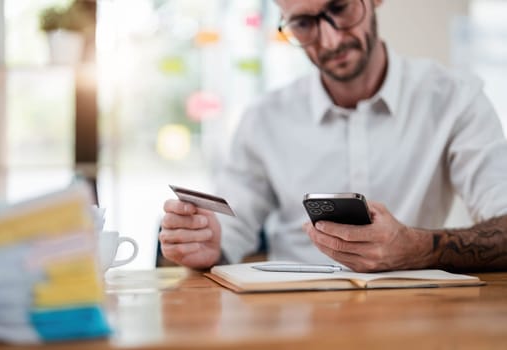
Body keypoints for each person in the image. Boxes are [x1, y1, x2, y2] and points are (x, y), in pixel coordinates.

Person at [159, 0, 507, 272]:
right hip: (295, 324)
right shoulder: (263, 120)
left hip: (415, 321)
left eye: (340, 8)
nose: (330, 40)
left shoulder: (455, 100)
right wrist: (207, 242)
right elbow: (230, 230)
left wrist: (415, 247)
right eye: (304, 24)